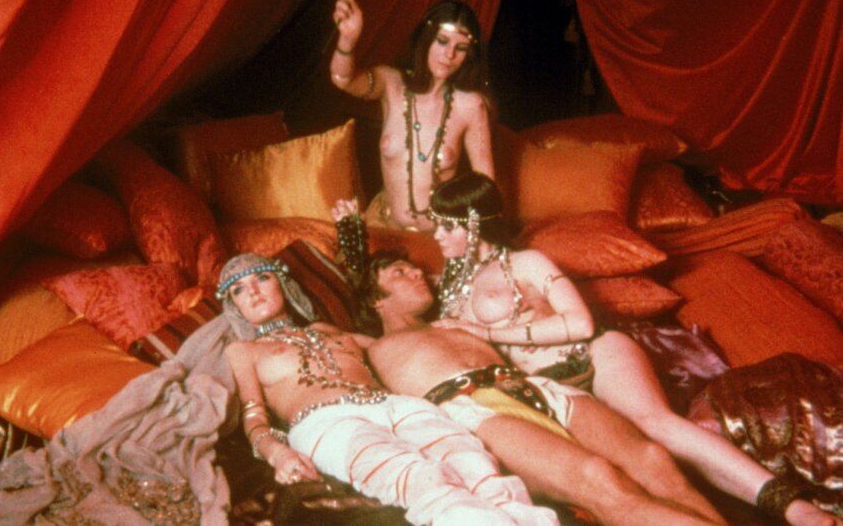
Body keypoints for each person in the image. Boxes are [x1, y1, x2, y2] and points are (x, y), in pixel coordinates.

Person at [426, 171, 841, 526]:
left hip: (593, 353)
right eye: (435, 225)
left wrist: (489, 334)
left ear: (474, 224)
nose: (437, 236)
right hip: (548, 391)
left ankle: (794, 508)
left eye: (447, 226)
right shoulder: (449, 284)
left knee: (654, 423)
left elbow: (581, 323)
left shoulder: (527, 262)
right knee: (612, 473)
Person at [356, 250, 727, 526]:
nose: (416, 272)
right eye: (399, 272)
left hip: (533, 386)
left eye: (414, 267)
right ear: (376, 300)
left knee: (652, 459)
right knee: (599, 478)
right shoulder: (367, 346)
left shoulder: (457, 319)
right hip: (472, 408)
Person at [218, 252, 559, 526]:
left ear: (282, 283)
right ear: (235, 307)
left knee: (477, 467)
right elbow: (253, 417)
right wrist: (277, 454)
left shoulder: (328, 329)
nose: (254, 291)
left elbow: (400, 344)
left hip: (397, 405)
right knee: (424, 480)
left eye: (262, 278)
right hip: (328, 425)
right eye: (239, 289)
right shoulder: (243, 351)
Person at [330, 0, 494, 232]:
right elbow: (342, 79)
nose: (449, 54)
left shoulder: (470, 105)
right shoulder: (391, 83)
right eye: (442, 41)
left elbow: (486, 186)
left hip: (440, 237)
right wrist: (347, 39)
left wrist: (471, 241)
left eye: (460, 48)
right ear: (426, 38)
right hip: (383, 228)